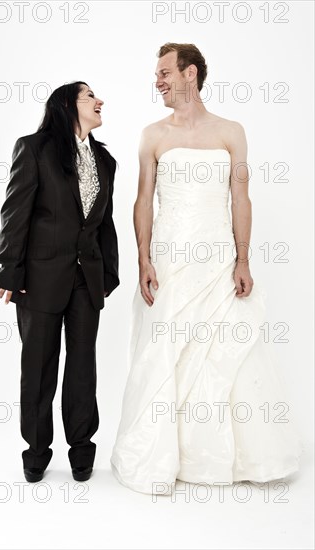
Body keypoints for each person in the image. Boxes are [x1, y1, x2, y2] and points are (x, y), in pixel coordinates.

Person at [110, 43, 302, 494]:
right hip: (171, 259)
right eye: (156, 75)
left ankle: (226, 455)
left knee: (226, 349)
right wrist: (143, 258)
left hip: (218, 259)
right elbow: (143, 201)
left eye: (164, 73)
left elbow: (240, 198)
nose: (157, 81)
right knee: (166, 351)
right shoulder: (152, 135)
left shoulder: (231, 131)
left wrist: (243, 258)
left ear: (190, 73)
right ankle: (164, 453)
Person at [0, 81, 119, 483]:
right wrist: (9, 270)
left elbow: (105, 223)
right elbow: (16, 212)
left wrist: (109, 274)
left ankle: (82, 450)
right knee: (38, 368)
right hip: (39, 279)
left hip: (87, 280)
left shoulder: (105, 160)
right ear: (67, 105)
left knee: (83, 368)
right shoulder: (34, 148)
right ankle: (35, 451)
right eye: (89, 96)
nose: (99, 101)